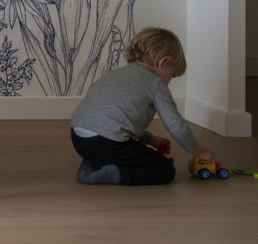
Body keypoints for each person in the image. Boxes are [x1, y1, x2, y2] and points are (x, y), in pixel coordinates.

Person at [69, 27, 213, 185]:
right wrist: (196, 150)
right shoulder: (155, 83)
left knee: (122, 147)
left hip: (79, 138)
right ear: (163, 62)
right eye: (171, 75)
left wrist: (150, 139)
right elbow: (175, 124)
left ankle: (92, 163)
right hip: (106, 144)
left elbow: (117, 121)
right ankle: (114, 174)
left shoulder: (115, 74)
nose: (168, 81)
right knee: (165, 169)